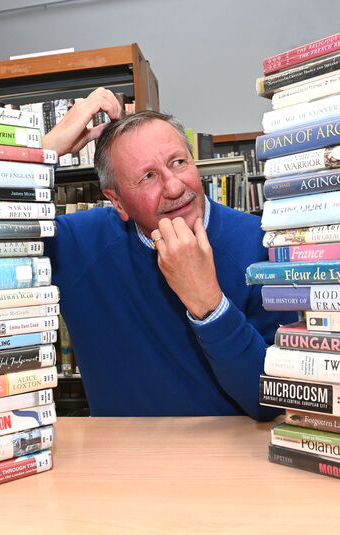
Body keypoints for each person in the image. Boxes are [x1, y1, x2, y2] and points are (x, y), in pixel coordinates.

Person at [42, 88, 295, 420]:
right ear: (116, 201)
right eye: (148, 176)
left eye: (179, 162)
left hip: (231, 462)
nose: (175, 187)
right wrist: (42, 153)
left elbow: (270, 402)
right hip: (118, 460)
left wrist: (210, 306)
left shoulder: (263, 244)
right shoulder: (79, 244)